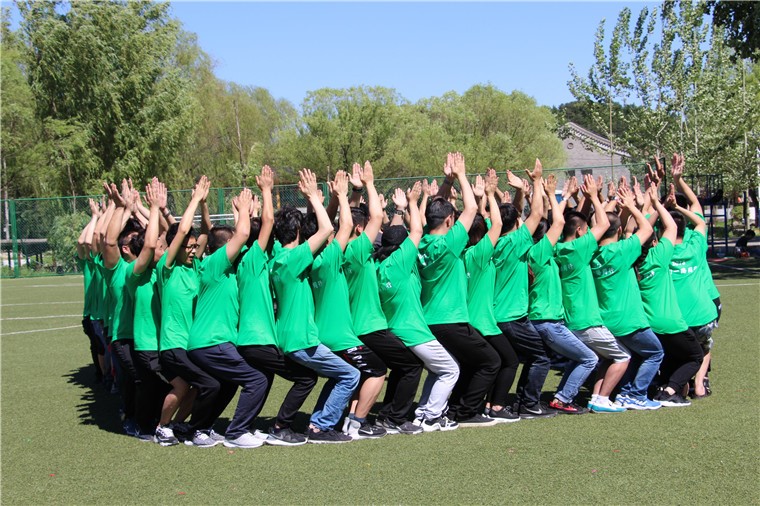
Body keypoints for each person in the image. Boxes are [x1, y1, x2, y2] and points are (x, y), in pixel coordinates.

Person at [270, 169, 360, 444]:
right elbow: (328, 229)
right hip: (301, 339)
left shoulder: (277, 255)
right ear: (297, 233)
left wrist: (327, 201)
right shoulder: (294, 258)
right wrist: (320, 196)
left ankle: (302, 422)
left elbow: (319, 229)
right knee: (351, 374)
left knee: (318, 376)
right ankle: (319, 426)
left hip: (289, 337)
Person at [236, 166, 318, 446]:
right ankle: (274, 428)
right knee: (306, 377)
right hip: (257, 339)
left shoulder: (265, 259)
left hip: (259, 340)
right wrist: (267, 191)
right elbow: (269, 224)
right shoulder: (253, 261)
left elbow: (277, 230)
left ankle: (244, 426)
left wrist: (247, 213)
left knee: (261, 379)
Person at [418, 152, 501, 428]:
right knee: (490, 361)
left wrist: (446, 181)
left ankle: (439, 409)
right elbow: (471, 210)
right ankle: (464, 412)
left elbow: (434, 211)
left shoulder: (420, 243)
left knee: (451, 367)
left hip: (430, 320)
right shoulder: (449, 245)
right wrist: (462, 176)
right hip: (451, 320)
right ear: (450, 222)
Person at [304, 170, 388, 440]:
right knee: (377, 370)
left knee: (344, 376)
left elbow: (334, 226)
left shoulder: (311, 262)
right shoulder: (335, 258)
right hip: (339, 336)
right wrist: (352, 192)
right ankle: (355, 423)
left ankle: (321, 421)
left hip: (325, 333)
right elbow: (358, 222)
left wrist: (343, 198)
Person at [342, 161, 424, 433]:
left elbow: (354, 220)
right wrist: (368, 183)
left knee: (376, 370)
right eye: (364, 228)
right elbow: (377, 220)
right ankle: (389, 419)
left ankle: (359, 416)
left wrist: (353, 193)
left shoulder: (344, 253)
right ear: (358, 231)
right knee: (411, 365)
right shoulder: (356, 252)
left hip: (357, 326)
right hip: (370, 326)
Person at [186, 187, 270, 449]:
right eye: (234, 244)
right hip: (212, 342)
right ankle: (237, 432)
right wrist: (245, 211)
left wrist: (243, 213)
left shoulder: (224, 269)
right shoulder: (214, 264)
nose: (241, 246)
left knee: (228, 384)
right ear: (225, 248)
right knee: (257, 380)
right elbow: (243, 234)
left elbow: (240, 235)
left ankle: (201, 428)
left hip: (213, 343)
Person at [377, 183, 461, 432]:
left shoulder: (381, 267)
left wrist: (400, 209)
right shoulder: (402, 262)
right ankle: (431, 416)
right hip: (414, 331)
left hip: (396, 330)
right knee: (451, 370)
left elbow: (410, 232)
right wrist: (412, 203)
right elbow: (417, 230)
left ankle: (423, 412)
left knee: (437, 369)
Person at [157, 176, 229, 447]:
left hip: (190, 344)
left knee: (197, 386)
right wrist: (194, 200)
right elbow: (183, 230)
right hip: (173, 344)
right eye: (185, 247)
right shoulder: (168, 270)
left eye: (192, 247)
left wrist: (205, 205)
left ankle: (180, 425)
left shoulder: (195, 268)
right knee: (198, 384)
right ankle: (163, 427)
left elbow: (206, 233)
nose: (190, 250)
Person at [555, 175, 629, 414]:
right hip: (587, 320)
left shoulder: (557, 248)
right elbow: (605, 225)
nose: (590, 234)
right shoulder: (579, 248)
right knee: (622, 356)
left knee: (590, 357)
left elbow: (576, 222)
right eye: (586, 230)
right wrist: (595, 197)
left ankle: (573, 395)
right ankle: (596, 398)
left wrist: (585, 200)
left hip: (570, 320)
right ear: (579, 232)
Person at [528, 175, 598, 415]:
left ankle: (538, 400)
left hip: (549, 321)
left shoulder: (549, 252)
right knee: (589, 359)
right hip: (547, 323)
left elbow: (566, 225)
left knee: (556, 360)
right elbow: (559, 224)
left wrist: (570, 198)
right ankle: (561, 398)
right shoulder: (539, 253)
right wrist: (552, 194)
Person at [591, 186, 663, 410]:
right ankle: (635, 394)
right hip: (628, 319)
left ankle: (603, 396)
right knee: (655, 353)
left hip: (605, 319)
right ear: (619, 229)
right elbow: (645, 229)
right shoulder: (623, 251)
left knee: (618, 357)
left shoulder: (591, 253)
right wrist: (633, 206)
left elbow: (618, 227)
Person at [492, 160, 555, 419]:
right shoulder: (515, 244)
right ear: (517, 223)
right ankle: (528, 404)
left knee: (509, 361)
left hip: (495, 316)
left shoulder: (492, 242)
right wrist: (537, 181)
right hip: (513, 317)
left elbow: (513, 216)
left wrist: (520, 193)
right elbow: (537, 214)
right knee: (541, 357)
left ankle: (503, 403)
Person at [636, 183, 703, 407]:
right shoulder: (661, 257)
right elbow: (681, 226)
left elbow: (634, 230)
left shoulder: (633, 261)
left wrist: (648, 205)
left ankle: (662, 387)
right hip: (671, 321)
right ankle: (670, 392)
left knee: (670, 356)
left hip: (648, 323)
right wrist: (662, 204)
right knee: (696, 357)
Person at [464, 170, 520, 423]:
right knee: (507, 360)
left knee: (481, 364)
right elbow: (497, 224)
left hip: (470, 320)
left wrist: (481, 202)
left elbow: (485, 221)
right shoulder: (479, 254)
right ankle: (493, 406)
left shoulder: (463, 253)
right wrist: (488, 194)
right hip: (482, 321)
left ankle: (481, 404)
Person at [670, 153, 720, 397]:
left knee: (681, 348)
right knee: (704, 345)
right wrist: (678, 181)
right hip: (704, 308)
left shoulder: (661, 249)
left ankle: (683, 380)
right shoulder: (696, 242)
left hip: (674, 315)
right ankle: (700, 382)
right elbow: (698, 215)